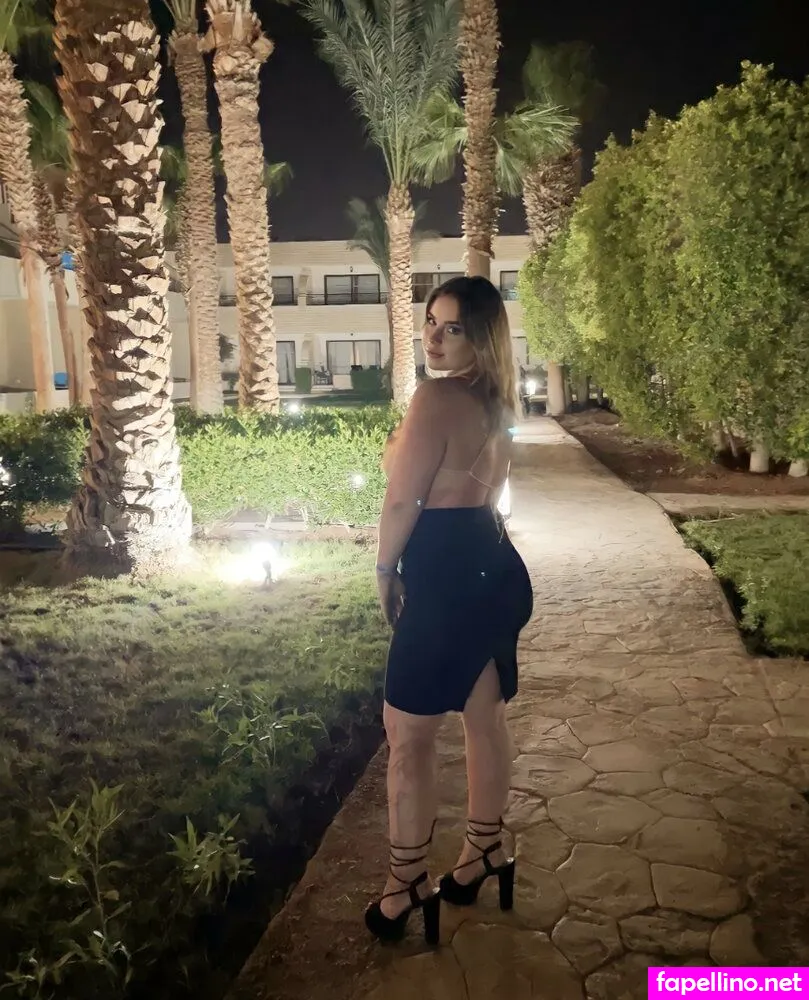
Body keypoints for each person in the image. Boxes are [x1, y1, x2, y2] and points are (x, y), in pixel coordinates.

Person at [366, 276, 534, 946]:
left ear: (480, 337)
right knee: (483, 718)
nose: (432, 337)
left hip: (444, 576)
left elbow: (402, 501)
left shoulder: (436, 398)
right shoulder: (497, 400)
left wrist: (384, 569)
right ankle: (484, 850)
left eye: (452, 327)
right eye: (430, 322)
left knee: (407, 733)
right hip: (491, 562)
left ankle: (405, 883)